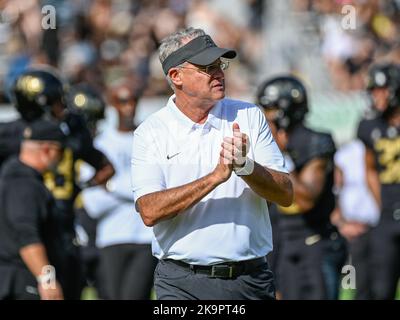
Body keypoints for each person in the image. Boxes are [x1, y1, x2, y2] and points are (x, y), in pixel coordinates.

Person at [131, 27, 293, 300]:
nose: (219, 72)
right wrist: (215, 177)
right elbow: (149, 211)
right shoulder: (151, 132)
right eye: (207, 66)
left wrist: (246, 167)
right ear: (176, 76)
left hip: (249, 279)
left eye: (220, 64)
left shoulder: (248, 115)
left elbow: (285, 194)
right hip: (181, 283)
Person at [0, 67, 115, 299]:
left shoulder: (66, 128)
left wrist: (79, 189)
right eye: (57, 101)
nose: (62, 108)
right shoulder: (15, 138)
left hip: (58, 227)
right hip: (27, 228)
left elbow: (106, 167)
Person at [257, 75, 347, 300]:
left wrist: (282, 156)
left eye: (270, 111)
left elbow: (305, 199)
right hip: (279, 243)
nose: (264, 119)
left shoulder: (316, 141)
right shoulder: (262, 144)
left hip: (314, 244)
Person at [82, 81, 156, 300]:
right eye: (122, 101)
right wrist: (137, 191)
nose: (129, 107)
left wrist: (111, 186)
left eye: (133, 100)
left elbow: (158, 188)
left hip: (145, 237)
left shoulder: (149, 138)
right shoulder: (100, 144)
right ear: (112, 105)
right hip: (111, 237)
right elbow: (92, 203)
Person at [0, 119, 66, 300]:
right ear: (47, 150)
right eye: (61, 152)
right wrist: (47, 280)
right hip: (21, 280)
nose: (61, 158)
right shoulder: (24, 184)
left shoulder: (16, 177)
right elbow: (25, 234)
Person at [357, 63, 400, 300]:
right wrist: (383, 204)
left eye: (380, 89)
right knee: (381, 290)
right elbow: (370, 169)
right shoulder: (370, 126)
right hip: (387, 217)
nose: (375, 96)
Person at [331, 139, 380, 300]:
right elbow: (335, 188)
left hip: (376, 226)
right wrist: (343, 223)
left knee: (378, 284)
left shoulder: (378, 148)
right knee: (356, 285)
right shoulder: (345, 154)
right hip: (351, 229)